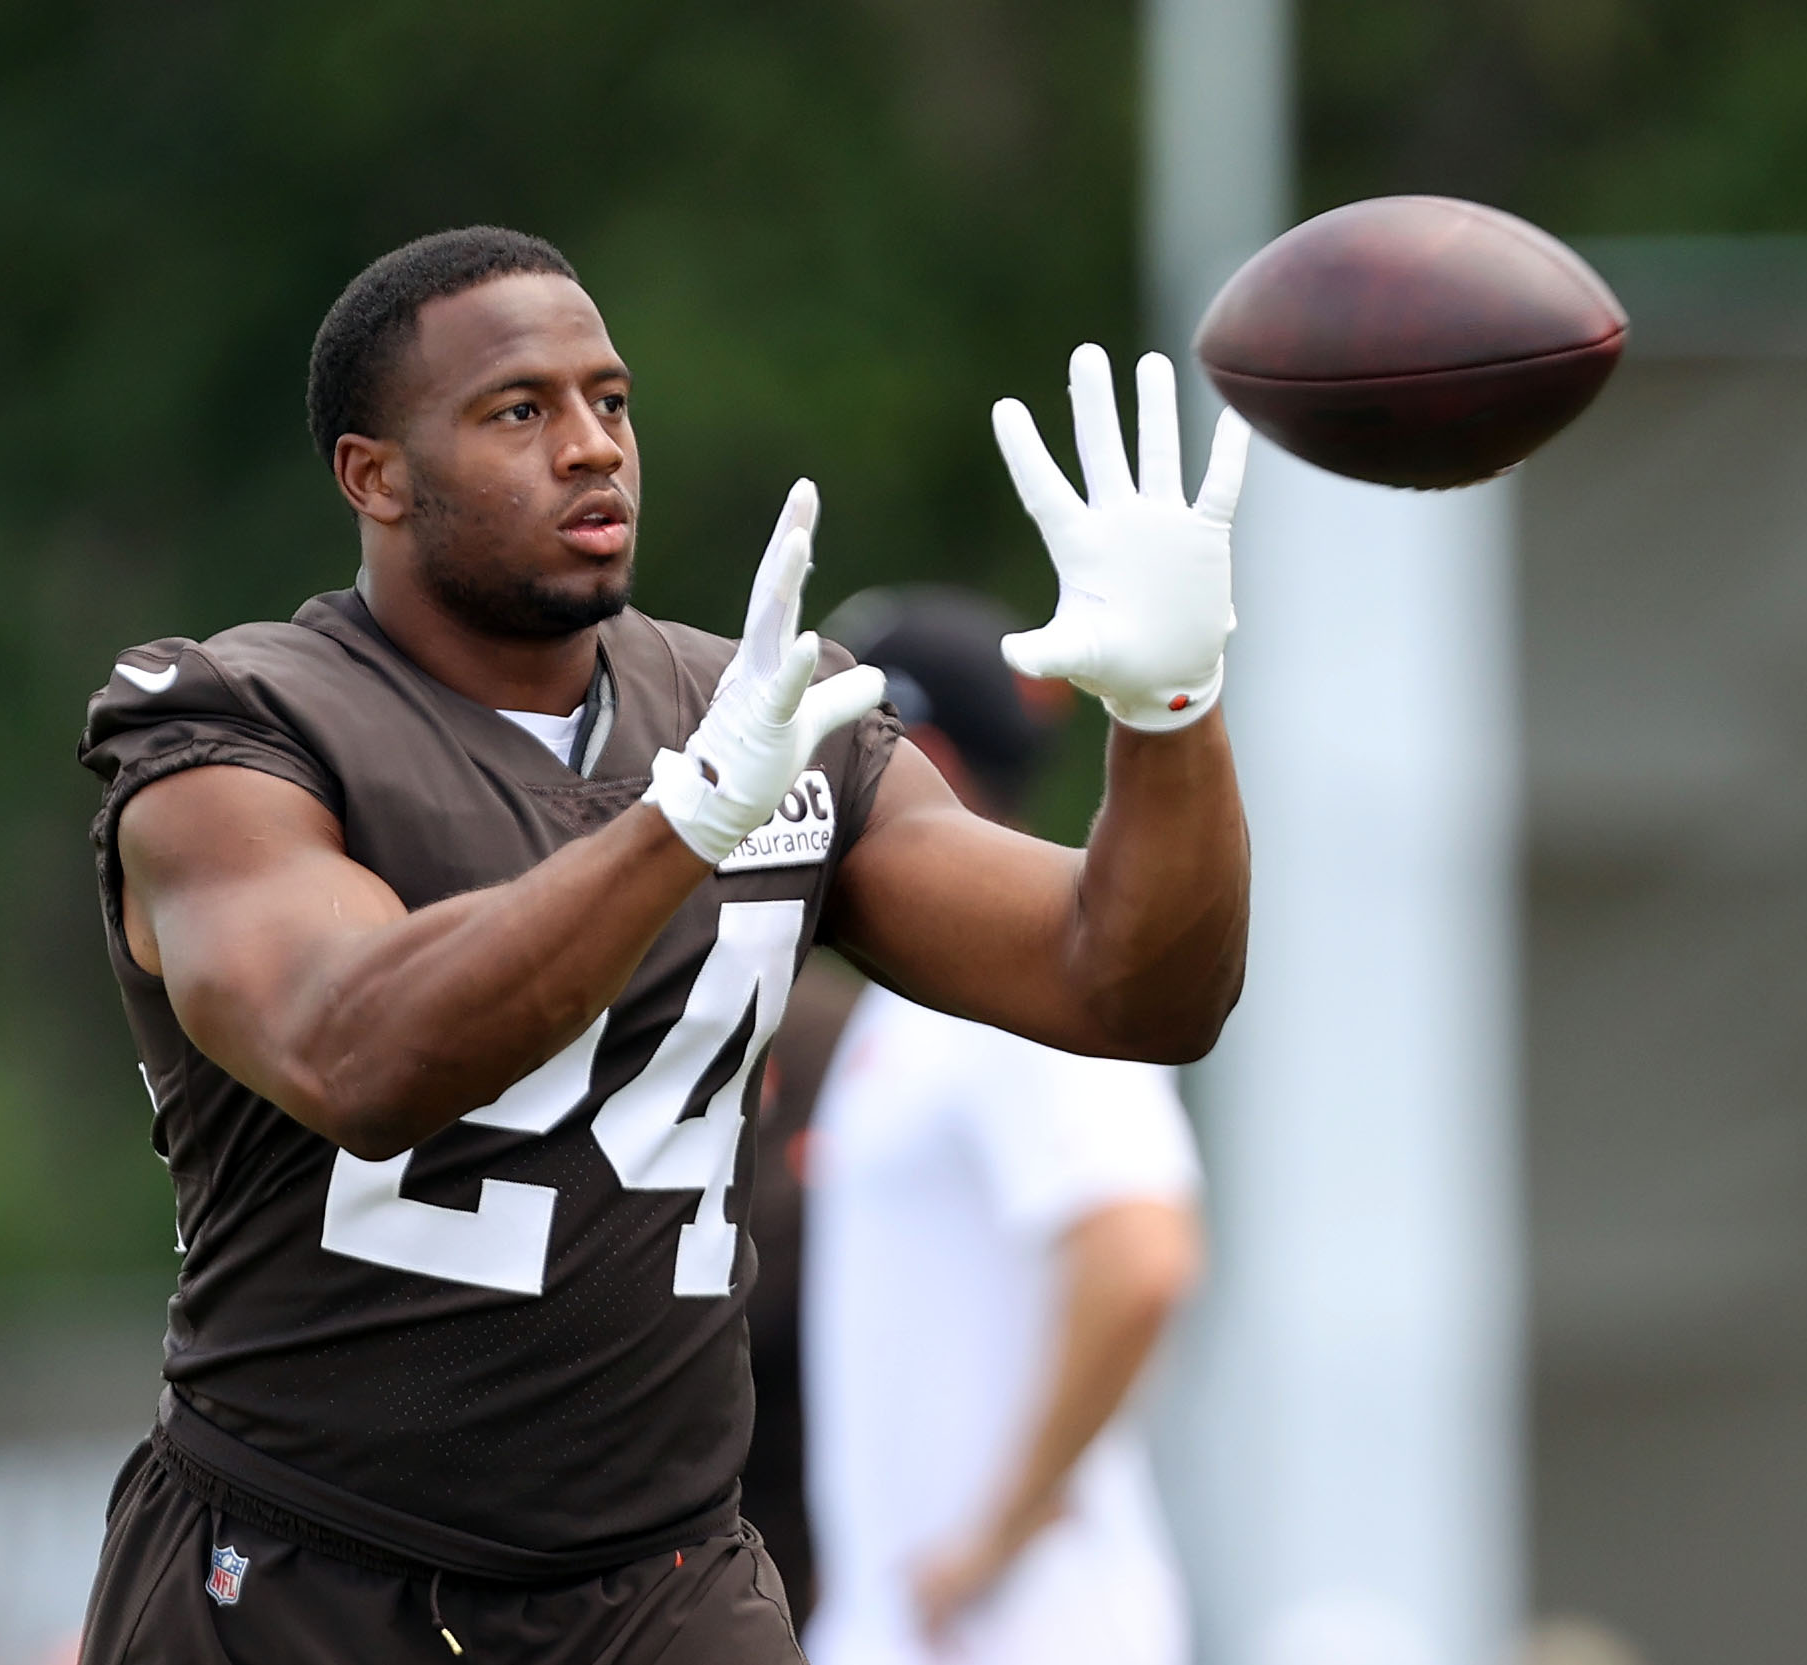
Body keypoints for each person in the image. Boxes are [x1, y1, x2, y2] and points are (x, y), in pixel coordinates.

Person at [73, 224, 1251, 1664]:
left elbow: (1128, 982)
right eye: (522, 410)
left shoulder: (758, 707)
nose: (590, 448)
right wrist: (679, 819)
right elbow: (357, 1049)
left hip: (666, 1586)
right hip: (306, 1565)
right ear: (372, 474)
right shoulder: (236, 727)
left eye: (611, 403)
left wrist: (1174, 717)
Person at [794, 589, 1205, 1665]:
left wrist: (993, 1541)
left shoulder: (1012, 987)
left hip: (1017, 1629)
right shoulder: (932, 994)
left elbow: (1140, 1256)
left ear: (909, 752)